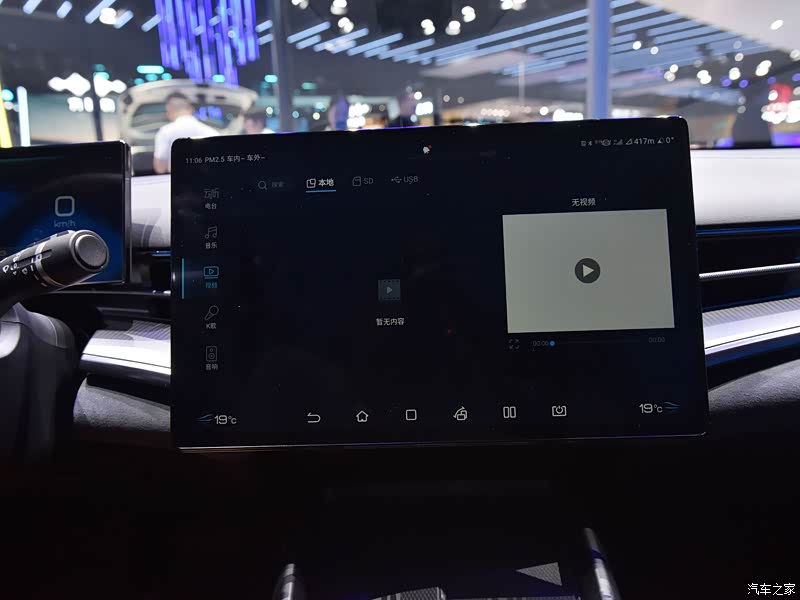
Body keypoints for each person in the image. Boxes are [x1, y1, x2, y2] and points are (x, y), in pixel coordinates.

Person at [153, 92, 219, 174]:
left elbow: (160, 168)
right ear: (191, 109)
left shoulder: (165, 132)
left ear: (170, 110)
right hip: (207, 180)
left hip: (178, 180)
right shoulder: (211, 132)